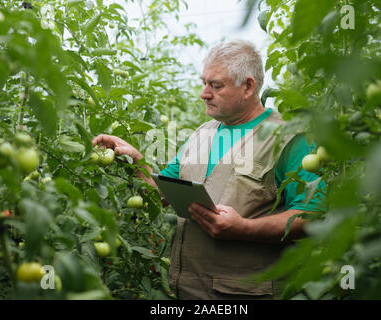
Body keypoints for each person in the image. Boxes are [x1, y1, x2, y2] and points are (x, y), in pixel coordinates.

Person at [93, 40, 326, 300]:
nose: (204, 93)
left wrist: (244, 229)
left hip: (247, 294)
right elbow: (160, 194)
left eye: (216, 85)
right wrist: (136, 161)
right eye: (204, 83)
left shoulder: (289, 138)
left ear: (248, 86)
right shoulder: (201, 134)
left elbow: (311, 216)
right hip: (188, 291)